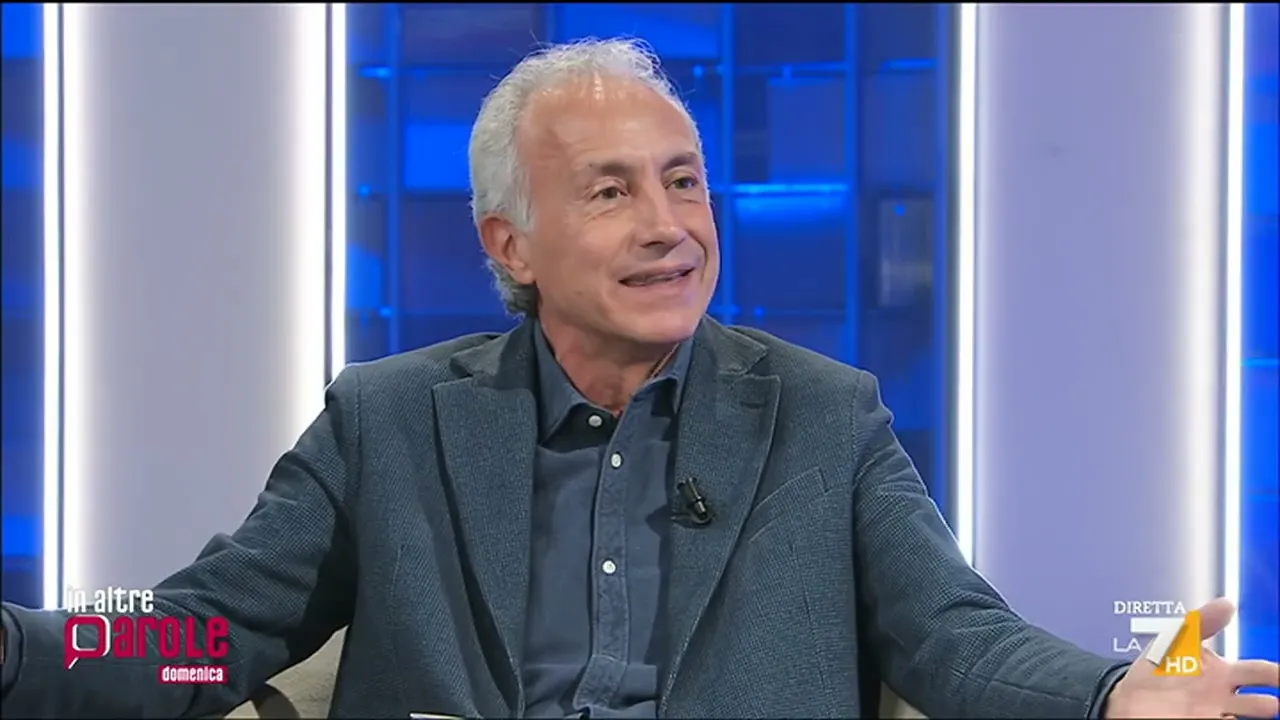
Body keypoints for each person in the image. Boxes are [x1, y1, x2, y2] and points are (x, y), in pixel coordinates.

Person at [2, 37, 1276, 719]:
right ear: (510, 243)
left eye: (682, 182)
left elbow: (951, 637)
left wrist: (1108, 696)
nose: (669, 226)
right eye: (609, 192)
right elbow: (206, 634)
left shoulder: (821, 418)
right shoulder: (387, 423)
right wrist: (13, 650)